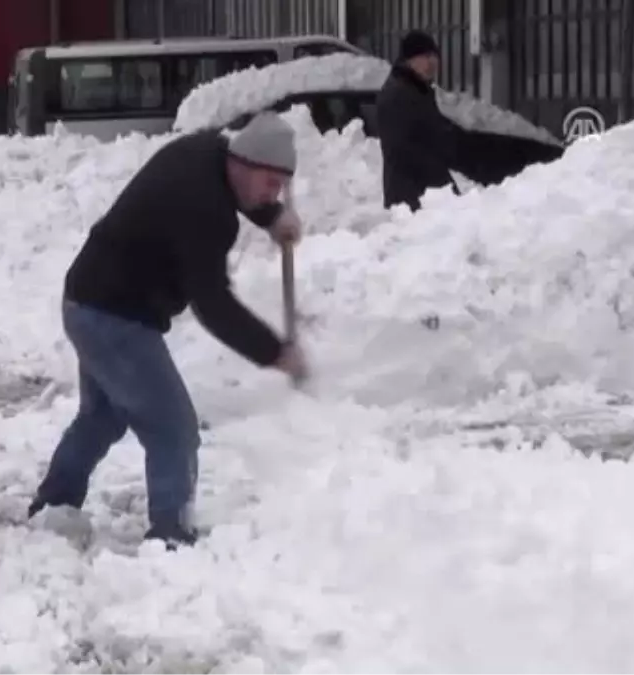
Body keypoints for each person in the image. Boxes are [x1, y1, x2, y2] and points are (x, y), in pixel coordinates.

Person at [28, 112, 309, 549]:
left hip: (86, 300)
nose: (273, 193)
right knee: (174, 429)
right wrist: (275, 352)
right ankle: (170, 536)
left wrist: (271, 216)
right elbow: (213, 304)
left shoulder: (204, 151)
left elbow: (239, 193)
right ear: (246, 162)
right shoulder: (207, 212)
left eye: (279, 187)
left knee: (102, 418)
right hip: (114, 318)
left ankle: (54, 505)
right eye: (271, 184)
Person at [376, 30, 460, 211]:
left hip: (424, 193)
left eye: (434, 56)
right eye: (424, 56)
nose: (431, 62)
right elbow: (401, 150)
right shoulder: (397, 94)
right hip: (410, 198)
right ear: (408, 60)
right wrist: (441, 182)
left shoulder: (418, 90)